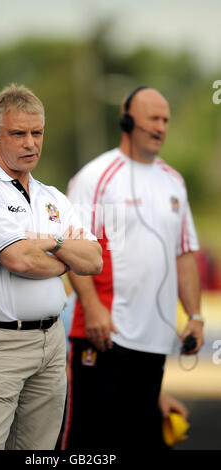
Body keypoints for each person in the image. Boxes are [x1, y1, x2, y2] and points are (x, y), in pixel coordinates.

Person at [0, 84, 102, 450]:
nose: (30, 143)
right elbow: (19, 260)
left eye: (37, 133)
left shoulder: (53, 197)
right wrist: (65, 257)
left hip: (50, 341)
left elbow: (93, 260)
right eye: (18, 133)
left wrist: (53, 242)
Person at [61, 86, 204, 450]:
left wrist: (196, 317)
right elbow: (74, 248)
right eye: (153, 118)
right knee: (89, 443)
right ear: (127, 120)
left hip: (153, 340)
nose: (161, 127)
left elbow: (185, 253)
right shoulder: (95, 176)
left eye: (166, 120)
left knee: (140, 439)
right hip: (104, 333)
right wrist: (92, 307)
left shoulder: (174, 181)